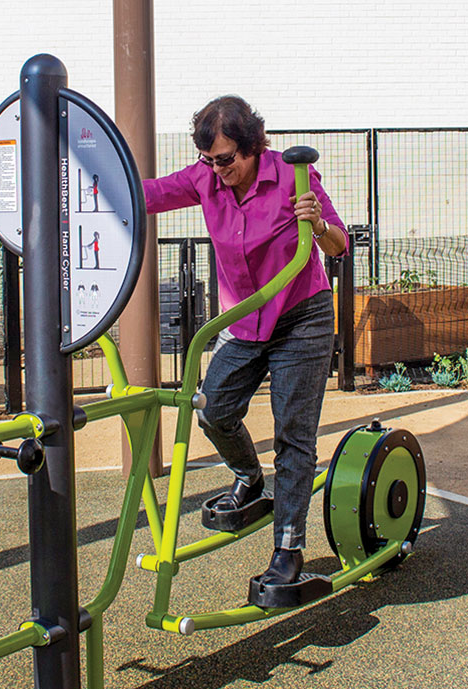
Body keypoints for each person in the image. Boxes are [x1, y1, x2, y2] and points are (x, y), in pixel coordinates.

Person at [142, 95, 348, 594]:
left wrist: (316, 223)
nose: (218, 170)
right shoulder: (205, 177)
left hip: (301, 317)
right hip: (243, 322)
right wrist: (83, 182)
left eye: (227, 159)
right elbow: (146, 194)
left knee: (293, 439)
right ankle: (249, 479)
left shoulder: (291, 177)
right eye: (209, 160)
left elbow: (339, 243)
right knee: (212, 408)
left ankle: (288, 551)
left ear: (253, 147)